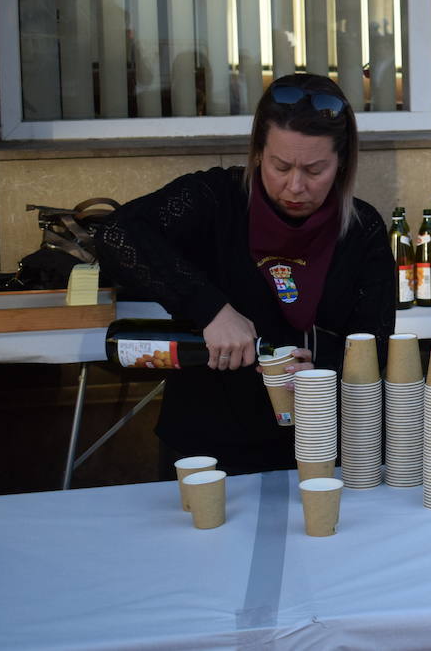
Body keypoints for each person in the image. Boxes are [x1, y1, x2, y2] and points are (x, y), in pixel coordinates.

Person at [96, 73, 396, 476]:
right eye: (280, 165)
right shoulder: (216, 200)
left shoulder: (363, 229)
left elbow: (375, 344)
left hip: (321, 447)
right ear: (257, 153)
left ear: (341, 162)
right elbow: (117, 233)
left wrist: (325, 369)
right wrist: (212, 309)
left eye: (315, 169)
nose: (295, 185)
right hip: (207, 444)